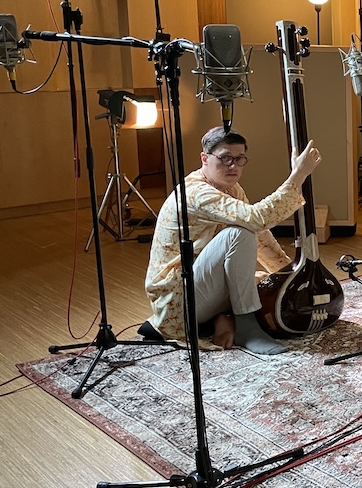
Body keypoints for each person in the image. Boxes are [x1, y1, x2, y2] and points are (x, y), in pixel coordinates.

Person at [138, 126, 323, 355]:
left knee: (266, 282)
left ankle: (224, 317)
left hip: (204, 286)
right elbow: (256, 220)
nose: (233, 166)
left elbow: (261, 237)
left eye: (239, 159)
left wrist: (290, 275)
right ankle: (246, 325)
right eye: (225, 158)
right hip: (180, 300)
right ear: (205, 158)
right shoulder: (196, 193)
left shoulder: (231, 188)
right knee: (239, 234)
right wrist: (298, 175)